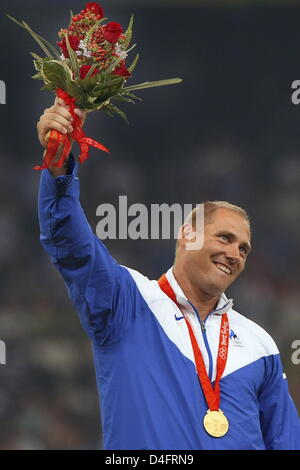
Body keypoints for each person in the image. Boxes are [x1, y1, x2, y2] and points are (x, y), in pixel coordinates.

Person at [37, 98, 300, 450]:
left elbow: (286, 440)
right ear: (187, 236)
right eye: (225, 238)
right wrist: (57, 166)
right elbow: (72, 246)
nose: (234, 254)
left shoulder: (260, 344)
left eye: (243, 249)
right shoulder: (128, 302)